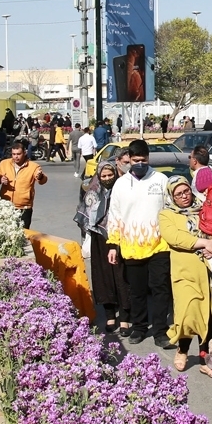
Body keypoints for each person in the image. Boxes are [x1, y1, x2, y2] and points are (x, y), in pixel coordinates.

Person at [106, 139, 174, 349]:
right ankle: (140, 327)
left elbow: (171, 211)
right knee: (136, 290)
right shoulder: (121, 184)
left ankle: (161, 331)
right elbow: (114, 215)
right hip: (131, 246)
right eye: (135, 160)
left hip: (159, 246)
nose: (139, 164)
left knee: (160, 289)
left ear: (148, 158)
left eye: (143, 160)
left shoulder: (161, 180)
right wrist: (112, 244)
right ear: (129, 160)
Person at [159, 175, 212, 374]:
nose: (184, 196)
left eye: (186, 191)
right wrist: (204, 243)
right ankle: (182, 350)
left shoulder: (205, 208)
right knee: (188, 314)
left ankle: (204, 357)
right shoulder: (166, 214)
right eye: (178, 193)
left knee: (209, 316)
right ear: (172, 195)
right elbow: (175, 237)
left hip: (211, 271)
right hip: (185, 273)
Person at [74, 160, 130, 334]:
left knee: (121, 277)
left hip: (121, 237)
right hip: (99, 239)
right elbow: (84, 216)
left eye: (110, 175)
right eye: (103, 175)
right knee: (103, 278)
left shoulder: (122, 191)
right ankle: (110, 315)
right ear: (98, 176)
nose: (107, 178)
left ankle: (125, 319)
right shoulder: (93, 191)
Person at [0, 141, 48, 229]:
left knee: (23, 233)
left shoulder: (33, 166)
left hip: (24, 207)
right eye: (13, 154)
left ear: (24, 153)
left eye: (18, 154)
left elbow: (43, 180)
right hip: (6, 206)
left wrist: (40, 177)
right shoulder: (4, 163)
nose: (15, 157)